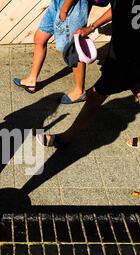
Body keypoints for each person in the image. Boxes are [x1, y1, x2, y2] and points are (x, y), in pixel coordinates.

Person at [39, 0, 140, 147]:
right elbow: (118, 9)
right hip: (123, 51)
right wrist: (92, 27)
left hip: (126, 55)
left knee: (95, 94)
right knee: (136, 88)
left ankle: (67, 137)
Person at [13, 0, 90, 104]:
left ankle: (79, 92)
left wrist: (64, 10)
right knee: (39, 38)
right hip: (57, 3)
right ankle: (31, 80)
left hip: (73, 6)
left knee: (73, 49)